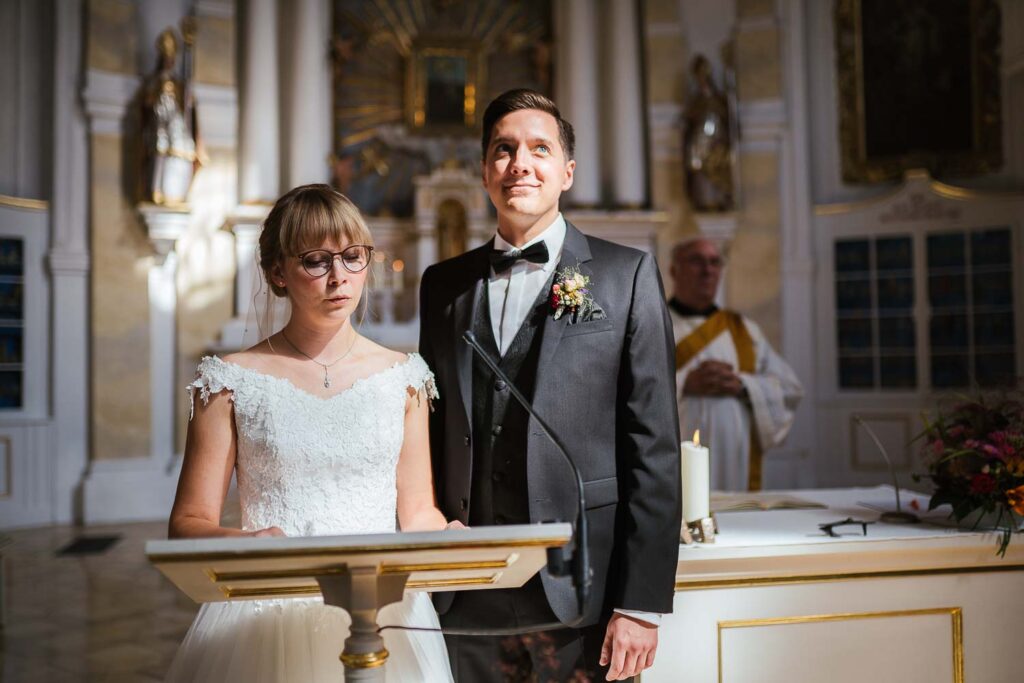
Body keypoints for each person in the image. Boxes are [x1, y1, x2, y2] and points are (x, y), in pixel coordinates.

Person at [419, 89, 681, 682]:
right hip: (466, 589)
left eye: (540, 148)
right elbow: (431, 429)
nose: (520, 164)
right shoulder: (442, 286)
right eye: (504, 150)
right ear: (485, 170)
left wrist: (639, 604)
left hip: (582, 588)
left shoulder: (625, 275)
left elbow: (655, 449)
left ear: (566, 171)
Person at [165, 184, 455, 682]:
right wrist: (250, 542)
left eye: (352, 256)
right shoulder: (228, 381)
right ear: (278, 272)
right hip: (269, 615)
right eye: (316, 260)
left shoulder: (404, 377)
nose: (339, 276)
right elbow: (188, 522)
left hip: (385, 614)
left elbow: (419, 511)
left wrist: (451, 539)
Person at [668, 238, 804, 491]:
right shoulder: (653, 323)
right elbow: (624, 388)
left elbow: (790, 389)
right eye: (696, 261)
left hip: (735, 460)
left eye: (714, 262)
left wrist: (743, 385)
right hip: (672, 454)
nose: (707, 270)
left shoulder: (744, 331)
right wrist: (684, 383)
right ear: (674, 270)